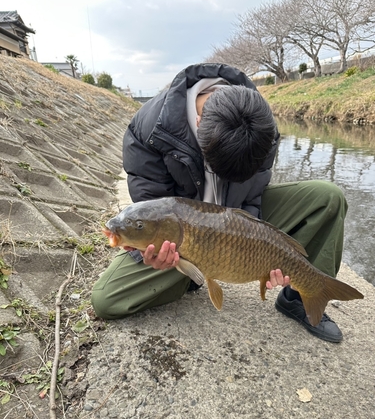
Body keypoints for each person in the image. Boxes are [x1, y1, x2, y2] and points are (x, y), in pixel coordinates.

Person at [91, 63, 347, 343]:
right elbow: (149, 210)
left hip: (236, 227)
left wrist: (254, 257)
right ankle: (188, 278)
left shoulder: (260, 126)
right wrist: (154, 255)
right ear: (199, 124)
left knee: (328, 198)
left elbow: (252, 197)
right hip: (184, 240)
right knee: (107, 300)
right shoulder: (148, 130)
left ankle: (302, 296)